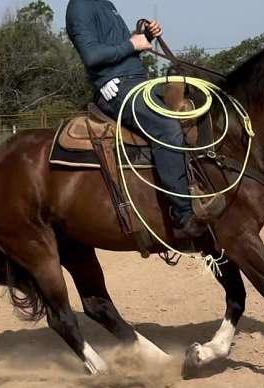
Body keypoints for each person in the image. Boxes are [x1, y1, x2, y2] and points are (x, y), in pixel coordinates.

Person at [66, 0, 206, 238]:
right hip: (116, 88)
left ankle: (203, 183)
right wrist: (132, 43)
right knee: (167, 127)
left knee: (195, 106)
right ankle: (183, 216)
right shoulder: (80, 6)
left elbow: (120, 48)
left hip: (138, 82)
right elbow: (92, 56)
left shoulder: (105, 4)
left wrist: (145, 36)